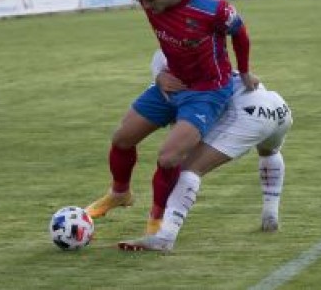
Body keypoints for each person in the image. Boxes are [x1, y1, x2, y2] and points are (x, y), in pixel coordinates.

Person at [41, 0, 258, 234]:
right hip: (170, 85)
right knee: (121, 138)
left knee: (169, 157)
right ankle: (120, 193)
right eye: (140, 0)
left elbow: (240, 33)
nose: (146, 7)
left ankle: (157, 221)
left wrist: (245, 72)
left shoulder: (211, 9)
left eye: (151, 0)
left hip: (207, 92)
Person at [117, 50, 293, 251]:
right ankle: (270, 215)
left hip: (250, 114)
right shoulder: (215, 68)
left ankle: (165, 237)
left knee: (188, 169)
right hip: (278, 107)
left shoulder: (186, 84)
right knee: (269, 151)